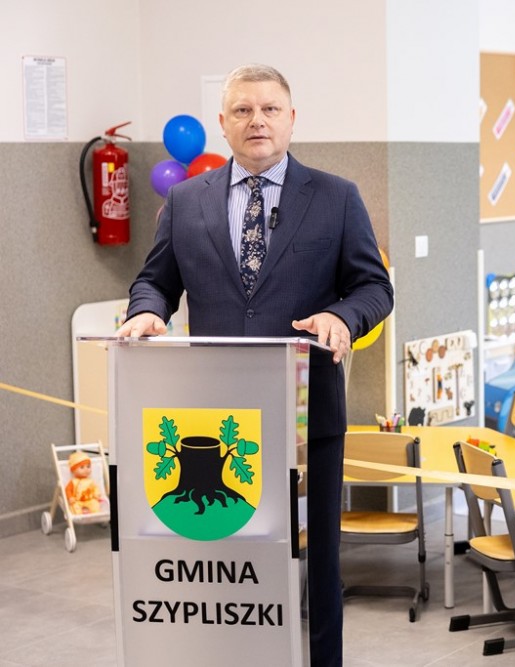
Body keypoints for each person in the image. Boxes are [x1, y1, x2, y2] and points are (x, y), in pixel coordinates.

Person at [114, 63, 393, 666]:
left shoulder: (337, 197)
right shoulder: (186, 201)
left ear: (292, 119)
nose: (257, 121)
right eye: (243, 110)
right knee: (224, 555)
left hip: (308, 414)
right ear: (222, 123)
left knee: (318, 560)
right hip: (214, 424)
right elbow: (155, 281)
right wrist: (147, 311)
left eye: (269, 109)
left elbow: (374, 287)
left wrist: (342, 318)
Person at [65, 451, 104, 515]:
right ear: (73, 470)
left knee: (95, 504)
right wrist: (70, 497)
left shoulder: (90, 481)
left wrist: (96, 494)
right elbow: (68, 490)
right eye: (82, 467)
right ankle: (80, 514)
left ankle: (93, 513)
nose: (86, 469)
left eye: (88, 466)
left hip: (89, 500)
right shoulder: (73, 481)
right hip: (77, 501)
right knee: (74, 506)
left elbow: (95, 488)